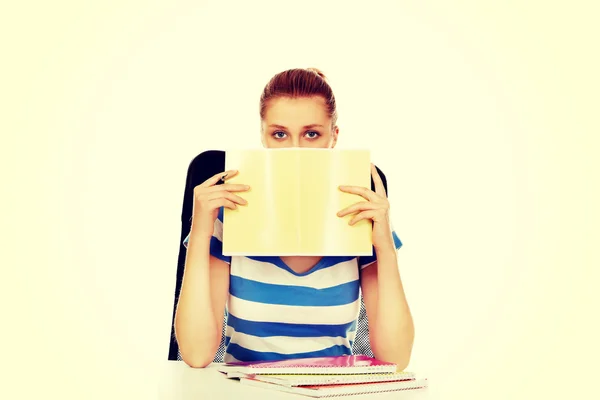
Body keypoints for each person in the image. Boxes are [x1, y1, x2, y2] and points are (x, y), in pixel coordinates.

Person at [174, 68, 414, 369]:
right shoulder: (230, 217)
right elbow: (197, 355)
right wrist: (200, 233)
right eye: (279, 134)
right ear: (263, 138)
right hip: (245, 391)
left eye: (312, 134)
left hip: (331, 389)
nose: (295, 150)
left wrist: (385, 249)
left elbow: (396, 358)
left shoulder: (361, 219)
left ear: (333, 138)